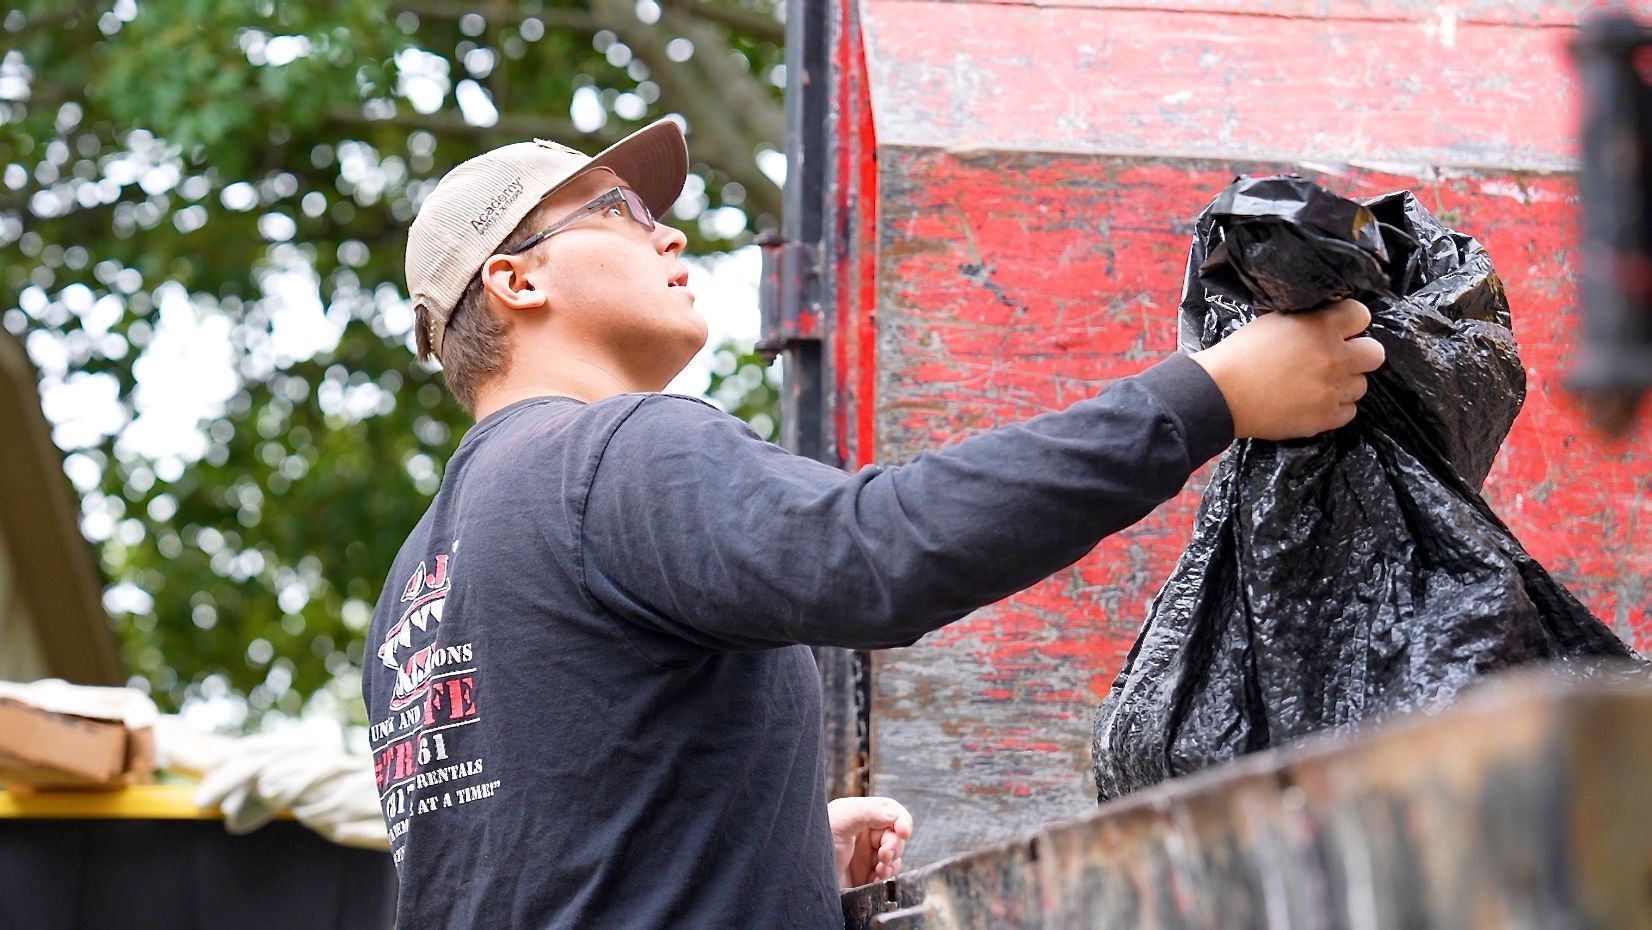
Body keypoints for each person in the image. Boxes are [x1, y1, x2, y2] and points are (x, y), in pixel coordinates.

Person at [361, 119, 1384, 929]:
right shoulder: (612, 454)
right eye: (619, 211)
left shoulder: (418, 582)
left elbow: (559, 853)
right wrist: (1208, 396)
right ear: (517, 278)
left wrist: (775, 853)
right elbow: (879, 553)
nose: (668, 232)